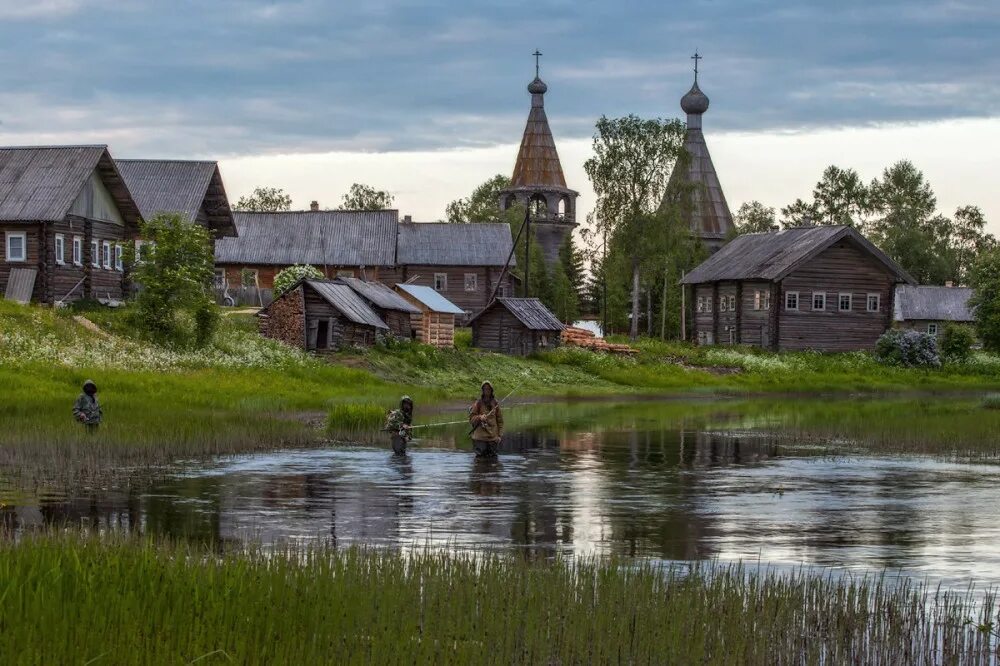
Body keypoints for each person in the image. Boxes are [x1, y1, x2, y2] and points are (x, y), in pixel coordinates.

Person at [469, 381, 503, 458]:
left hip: (493, 439)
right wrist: (480, 417)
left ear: (491, 390)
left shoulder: (495, 403)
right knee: (480, 461)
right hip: (480, 439)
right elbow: (471, 419)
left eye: (488, 389)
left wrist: (499, 436)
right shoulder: (478, 403)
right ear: (482, 391)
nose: (487, 391)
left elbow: (500, 421)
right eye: (485, 389)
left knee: (493, 461)